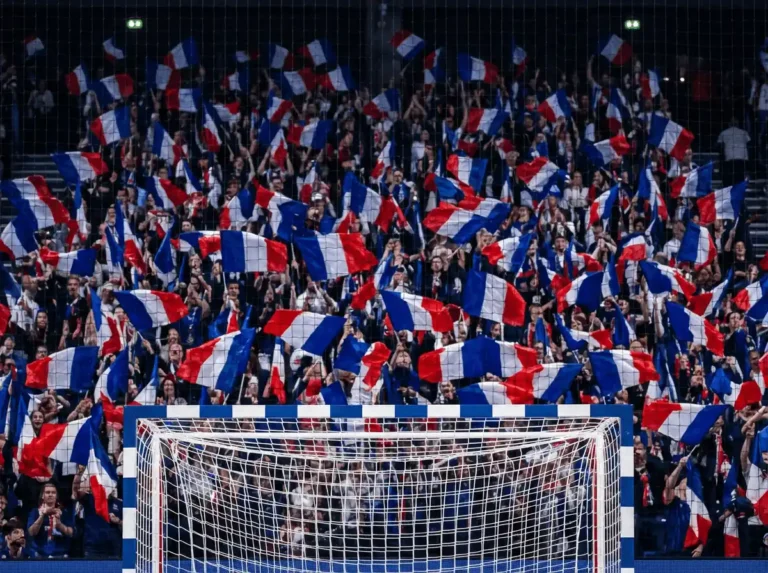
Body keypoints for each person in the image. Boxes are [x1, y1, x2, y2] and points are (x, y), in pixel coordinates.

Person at [25, 483, 75, 558]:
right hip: (40, 555)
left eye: (53, 492)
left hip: (60, 555)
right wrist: (42, 516)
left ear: (56, 496)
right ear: (42, 496)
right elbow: (31, 532)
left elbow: (71, 533)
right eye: (47, 492)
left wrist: (59, 525)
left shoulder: (64, 513)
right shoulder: (35, 512)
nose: (50, 495)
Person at [717, 118, 751, 186]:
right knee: (740, 177)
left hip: (730, 157)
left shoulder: (724, 133)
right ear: (738, 124)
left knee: (730, 177)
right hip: (742, 157)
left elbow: (719, 145)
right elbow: (749, 143)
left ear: (729, 124)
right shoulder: (744, 132)